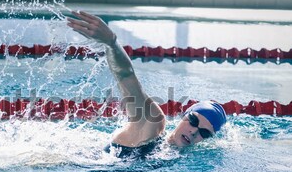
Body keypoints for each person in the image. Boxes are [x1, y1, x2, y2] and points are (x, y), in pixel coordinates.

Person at [67, 11, 226, 158]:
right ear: (183, 115)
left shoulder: (173, 154)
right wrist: (112, 43)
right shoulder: (152, 124)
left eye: (204, 133)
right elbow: (126, 75)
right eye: (193, 120)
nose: (193, 132)